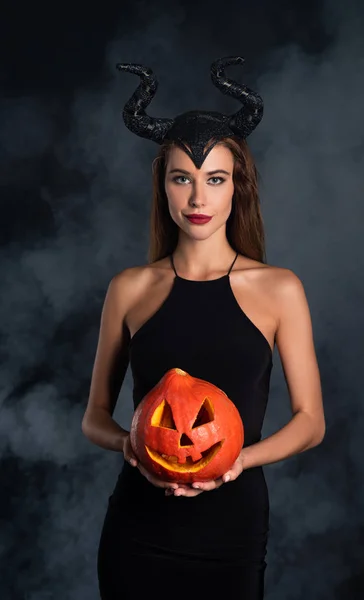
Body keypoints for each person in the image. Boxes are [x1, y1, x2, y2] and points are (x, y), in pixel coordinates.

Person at [82, 56, 325, 600]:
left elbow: (311, 422)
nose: (198, 199)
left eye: (214, 179)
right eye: (182, 179)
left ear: (236, 186)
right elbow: (94, 417)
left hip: (231, 533)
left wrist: (239, 462)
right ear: (163, 187)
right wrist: (129, 446)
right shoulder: (130, 288)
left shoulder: (279, 289)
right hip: (137, 532)